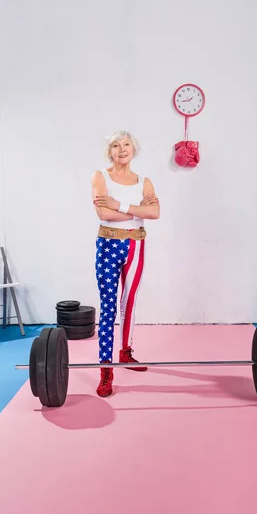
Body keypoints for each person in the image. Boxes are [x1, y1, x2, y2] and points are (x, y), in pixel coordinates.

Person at [91, 131, 160, 397]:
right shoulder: (101, 176)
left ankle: (126, 352)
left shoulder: (144, 181)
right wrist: (136, 210)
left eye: (127, 144)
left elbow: (154, 213)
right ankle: (106, 368)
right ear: (110, 151)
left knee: (129, 303)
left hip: (137, 245)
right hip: (109, 245)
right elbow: (102, 213)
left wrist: (119, 204)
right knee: (108, 305)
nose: (122, 149)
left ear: (134, 149)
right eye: (116, 145)